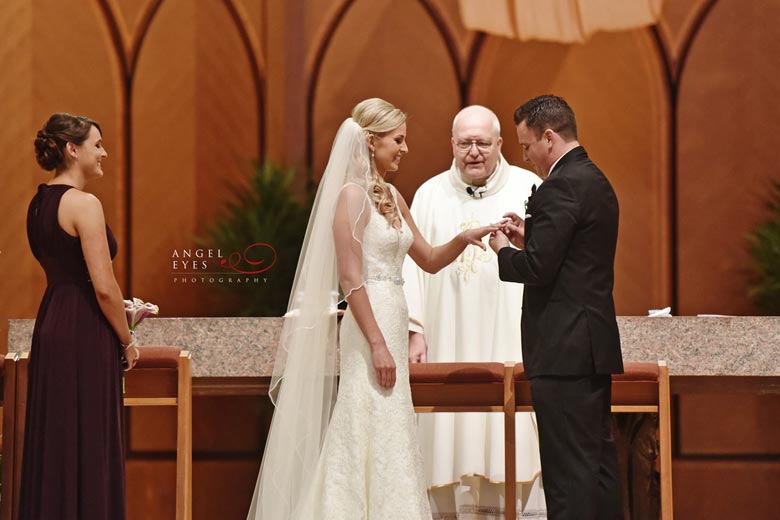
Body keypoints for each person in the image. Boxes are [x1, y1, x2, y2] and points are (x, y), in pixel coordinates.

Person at [246, 98, 498, 519]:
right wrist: (378, 344)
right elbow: (351, 279)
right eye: (397, 140)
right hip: (370, 328)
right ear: (370, 141)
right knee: (364, 420)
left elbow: (430, 258)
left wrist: (464, 236)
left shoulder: (394, 196)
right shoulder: (350, 196)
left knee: (390, 424)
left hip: (392, 318)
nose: (404, 149)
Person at [401, 105, 546, 517]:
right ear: (452, 144)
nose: (474, 152)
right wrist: (416, 330)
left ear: (500, 144)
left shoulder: (528, 188)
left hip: (511, 336)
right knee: (451, 433)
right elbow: (411, 265)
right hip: (448, 336)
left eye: (483, 142)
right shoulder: (428, 194)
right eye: (465, 143)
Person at [488, 95, 624, 519]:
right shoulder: (594, 178)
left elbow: (539, 269)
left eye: (526, 146)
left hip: (563, 350)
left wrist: (501, 250)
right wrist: (528, 233)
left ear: (549, 137)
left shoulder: (560, 185)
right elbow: (571, 255)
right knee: (596, 465)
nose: (525, 156)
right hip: (589, 347)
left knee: (568, 476)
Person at [21, 113, 139, 520]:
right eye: (97, 145)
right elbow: (103, 287)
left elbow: (67, 273)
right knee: (89, 440)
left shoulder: (39, 204)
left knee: (56, 440)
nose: (104, 153)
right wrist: (127, 338)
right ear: (72, 149)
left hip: (52, 320)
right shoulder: (85, 204)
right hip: (85, 331)